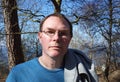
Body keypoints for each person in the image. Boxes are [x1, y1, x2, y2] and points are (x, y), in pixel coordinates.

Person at [6, 13, 98, 82]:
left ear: (70, 38)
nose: (56, 38)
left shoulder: (84, 73)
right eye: (50, 32)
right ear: (40, 36)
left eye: (63, 33)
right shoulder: (18, 74)